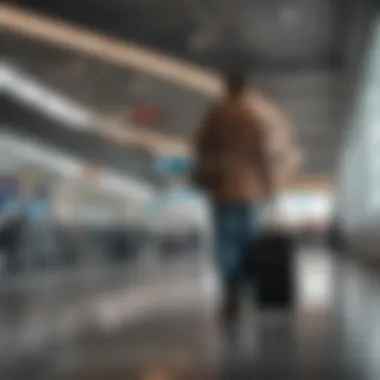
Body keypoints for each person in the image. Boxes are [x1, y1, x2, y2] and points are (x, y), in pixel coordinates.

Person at [193, 70, 273, 322]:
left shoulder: (215, 116)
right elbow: (261, 155)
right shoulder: (252, 118)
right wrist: (267, 186)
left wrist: (206, 175)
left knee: (225, 242)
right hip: (248, 190)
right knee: (246, 240)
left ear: (226, 88)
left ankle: (230, 289)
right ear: (244, 89)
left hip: (222, 188)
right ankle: (243, 285)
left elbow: (200, 148)